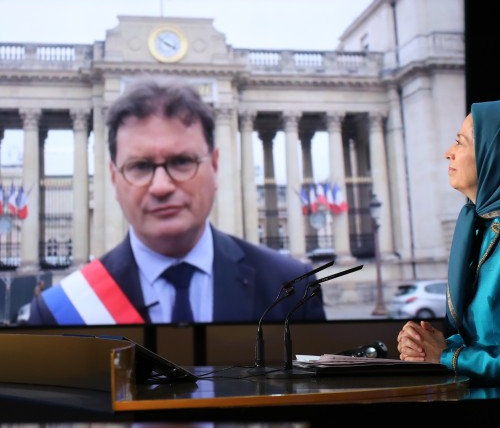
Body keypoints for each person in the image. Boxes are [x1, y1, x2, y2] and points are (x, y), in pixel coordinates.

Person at [27, 75, 327, 326]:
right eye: (140, 166)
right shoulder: (57, 313)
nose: (161, 186)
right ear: (114, 177)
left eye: (182, 161)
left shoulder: (292, 288)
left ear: (215, 166)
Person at [397, 100, 500, 386]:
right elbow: (480, 338)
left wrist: (445, 355)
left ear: (493, 154)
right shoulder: (482, 230)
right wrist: (425, 345)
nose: (448, 153)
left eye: (460, 142)